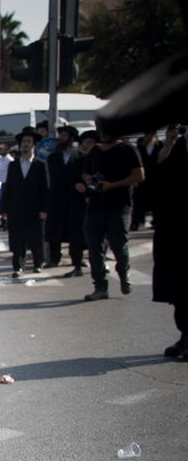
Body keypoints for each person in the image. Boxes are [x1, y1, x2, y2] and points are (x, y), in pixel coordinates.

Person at [81, 130, 145, 301]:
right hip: (95, 206)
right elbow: (85, 173)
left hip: (118, 207)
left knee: (118, 246)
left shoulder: (127, 150)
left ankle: (124, 275)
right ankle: (100, 287)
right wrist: (89, 180)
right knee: (94, 250)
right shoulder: (95, 151)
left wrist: (113, 185)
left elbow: (139, 175)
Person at [152, 124, 187, 360]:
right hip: (175, 227)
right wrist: (169, 144)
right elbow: (156, 174)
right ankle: (185, 336)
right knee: (179, 287)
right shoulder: (176, 144)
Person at [1, 127, 49, 277]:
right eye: (23, 142)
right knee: (17, 239)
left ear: (33, 144)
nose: (25, 144)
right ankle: (18, 266)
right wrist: (4, 209)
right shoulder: (13, 165)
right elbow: (8, 188)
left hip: (34, 209)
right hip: (16, 209)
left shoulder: (40, 165)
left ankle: (37, 263)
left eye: (28, 142)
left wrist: (44, 209)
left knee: (35, 238)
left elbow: (45, 189)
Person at [46, 126, 87, 276]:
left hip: (75, 199)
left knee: (76, 232)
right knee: (55, 230)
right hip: (57, 199)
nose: (61, 138)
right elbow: (55, 178)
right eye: (60, 135)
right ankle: (54, 258)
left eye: (64, 135)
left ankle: (77, 259)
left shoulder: (80, 156)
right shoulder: (53, 157)